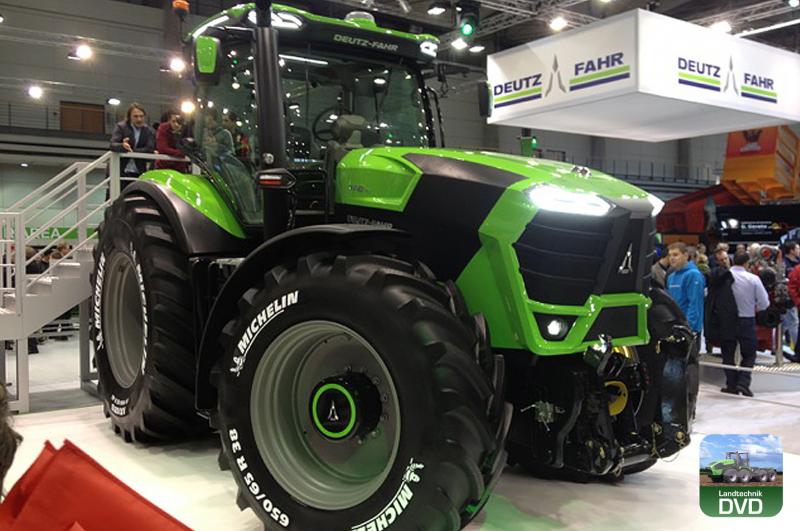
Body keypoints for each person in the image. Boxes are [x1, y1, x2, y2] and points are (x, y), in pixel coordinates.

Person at [723, 252, 770, 396]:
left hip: (727, 320)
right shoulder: (753, 279)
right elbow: (764, 302)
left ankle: (731, 384)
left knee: (727, 354)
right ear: (746, 263)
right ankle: (743, 382)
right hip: (747, 320)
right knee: (749, 354)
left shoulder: (724, 277)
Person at [110, 103, 156, 188]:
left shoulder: (149, 131)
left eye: (141, 116)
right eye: (135, 116)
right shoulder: (121, 127)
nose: (139, 119)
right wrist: (122, 146)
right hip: (119, 171)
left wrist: (130, 150)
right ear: (129, 117)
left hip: (139, 172)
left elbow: (150, 149)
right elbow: (112, 145)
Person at [704, 247, 737, 360]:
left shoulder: (724, 274)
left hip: (722, 315)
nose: (725, 261)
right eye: (722, 260)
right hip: (723, 315)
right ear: (717, 261)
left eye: (726, 258)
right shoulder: (722, 274)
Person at [666, 242, 705, 333]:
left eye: (675, 255)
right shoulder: (671, 277)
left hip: (689, 329)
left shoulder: (693, 274)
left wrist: (689, 327)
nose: (672, 258)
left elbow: (695, 303)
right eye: (670, 255)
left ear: (686, 255)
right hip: (675, 326)